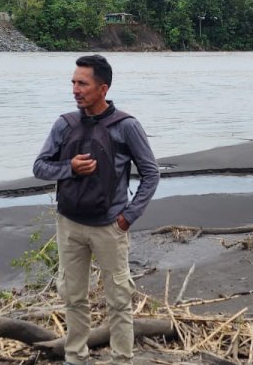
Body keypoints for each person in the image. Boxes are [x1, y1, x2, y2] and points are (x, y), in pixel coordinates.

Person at [32, 54, 159, 365]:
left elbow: (151, 173)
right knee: (73, 296)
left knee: (118, 299)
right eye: (73, 82)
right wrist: (70, 168)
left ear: (103, 88)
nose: (75, 90)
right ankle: (75, 357)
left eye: (82, 84)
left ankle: (122, 359)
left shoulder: (126, 126)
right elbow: (39, 167)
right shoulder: (65, 124)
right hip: (69, 224)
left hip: (110, 226)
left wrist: (128, 217)